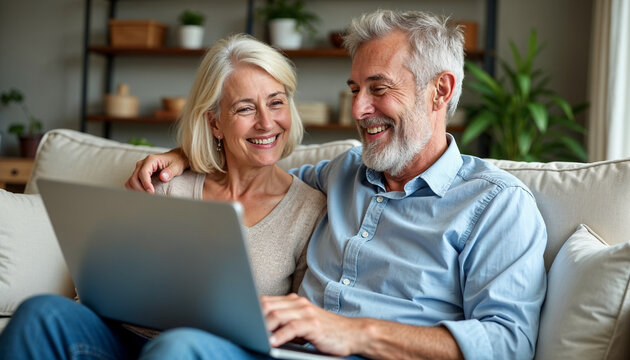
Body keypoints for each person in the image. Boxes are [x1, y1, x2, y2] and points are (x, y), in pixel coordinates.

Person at [126, 9, 548, 360]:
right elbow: (259, 179)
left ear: (440, 90)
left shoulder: (496, 204)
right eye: (354, 90)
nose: (360, 110)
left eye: (378, 89)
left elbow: (509, 343)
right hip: (277, 352)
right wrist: (187, 157)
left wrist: (356, 333)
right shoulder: (342, 171)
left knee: (178, 350)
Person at [0, 34, 326, 359]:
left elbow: (298, 336)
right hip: (126, 337)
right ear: (215, 123)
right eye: (245, 108)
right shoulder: (168, 184)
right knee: (40, 313)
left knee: (176, 347)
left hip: (215, 352)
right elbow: (101, 287)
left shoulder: (310, 210)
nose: (266, 123)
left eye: (276, 102)